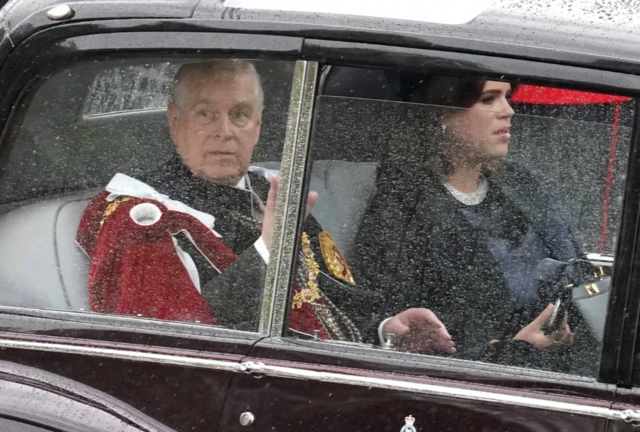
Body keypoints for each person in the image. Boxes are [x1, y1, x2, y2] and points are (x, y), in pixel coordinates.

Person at [76, 59, 362, 342]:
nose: (224, 131)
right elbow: (172, 343)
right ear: (175, 122)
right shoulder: (144, 218)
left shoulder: (273, 191)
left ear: (258, 126)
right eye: (205, 114)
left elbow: (331, 295)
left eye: (239, 114)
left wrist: (385, 328)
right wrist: (267, 251)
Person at [352, 74, 597, 372]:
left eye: (507, 96)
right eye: (488, 99)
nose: (508, 111)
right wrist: (519, 350)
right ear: (442, 112)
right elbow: (403, 328)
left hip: (566, 369)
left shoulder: (521, 186)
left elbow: (579, 273)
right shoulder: (403, 200)